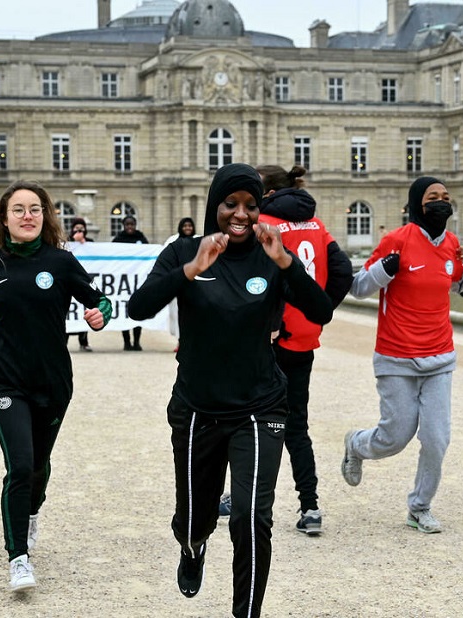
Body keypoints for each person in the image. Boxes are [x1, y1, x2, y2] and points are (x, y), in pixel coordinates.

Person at [127, 163, 332, 618]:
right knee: (195, 516)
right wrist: (191, 268)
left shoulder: (271, 254)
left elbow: (321, 311)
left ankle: (246, 614)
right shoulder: (183, 250)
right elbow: (138, 307)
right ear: (214, 206)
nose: (240, 214)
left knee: (251, 517)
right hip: (197, 408)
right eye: (230, 204)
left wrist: (286, 263)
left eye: (250, 205)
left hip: (260, 405)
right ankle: (192, 545)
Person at [0, 181, 110, 592]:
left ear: (45, 215)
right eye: (18, 209)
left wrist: (99, 315)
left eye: (34, 209)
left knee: (38, 464)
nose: (27, 216)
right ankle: (18, 557)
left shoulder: (61, 262)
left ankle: (31, 511)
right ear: (4, 218)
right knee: (19, 466)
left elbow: (99, 299)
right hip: (5, 379)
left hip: (53, 381)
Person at [343, 176, 463, 534]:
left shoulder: (452, 243)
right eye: (433, 197)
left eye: (445, 196)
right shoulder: (396, 239)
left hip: (439, 357)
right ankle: (356, 444)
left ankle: (420, 507)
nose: (441, 202)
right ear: (417, 203)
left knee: (437, 438)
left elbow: (458, 282)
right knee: (394, 438)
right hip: (396, 357)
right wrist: (385, 269)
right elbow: (359, 287)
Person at [255, 164, 352, 535]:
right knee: (297, 424)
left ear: (264, 193)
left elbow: (265, 276)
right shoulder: (316, 223)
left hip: (268, 338)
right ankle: (309, 506)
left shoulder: (261, 222)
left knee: (247, 417)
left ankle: (242, 496)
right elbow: (343, 272)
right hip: (304, 338)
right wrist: (320, 309)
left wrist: (274, 318)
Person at [112, 215, 149, 351]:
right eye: (127, 224)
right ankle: (127, 341)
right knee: (124, 312)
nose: (129, 227)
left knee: (137, 310)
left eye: (132, 224)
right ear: (123, 225)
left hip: (137, 281)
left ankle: (137, 341)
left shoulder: (141, 238)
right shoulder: (118, 239)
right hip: (123, 281)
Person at [163, 217, 196, 351]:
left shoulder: (199, 240)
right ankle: (180, 340)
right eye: (185, 226)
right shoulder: (172, 241)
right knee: (177, 314)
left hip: (195, 284)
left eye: (190, 226)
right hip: (177, 283)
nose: (187, 228)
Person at [67, 217, 95, 352]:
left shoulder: (90, 243)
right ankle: (64, 342)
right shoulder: (66, 243)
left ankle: (83, 341)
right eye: (76, 228)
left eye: (82, 228)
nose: (79, 231)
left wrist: (84, 243)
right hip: (68, 280)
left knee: (85, 311)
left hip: (83, 280)